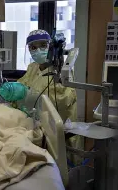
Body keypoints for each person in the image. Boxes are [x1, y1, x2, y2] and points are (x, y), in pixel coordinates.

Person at [18, 29, 82, 165]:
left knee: (61, 168)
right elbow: (22, 85)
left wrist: (27, 94)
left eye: (43, 45)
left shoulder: (62, 72)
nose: (38, 50)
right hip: (36, 126)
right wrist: (13, 90)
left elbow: (63, 101)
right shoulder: (33, 67)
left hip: (58, 130)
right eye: (33, 47)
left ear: (51, 47)